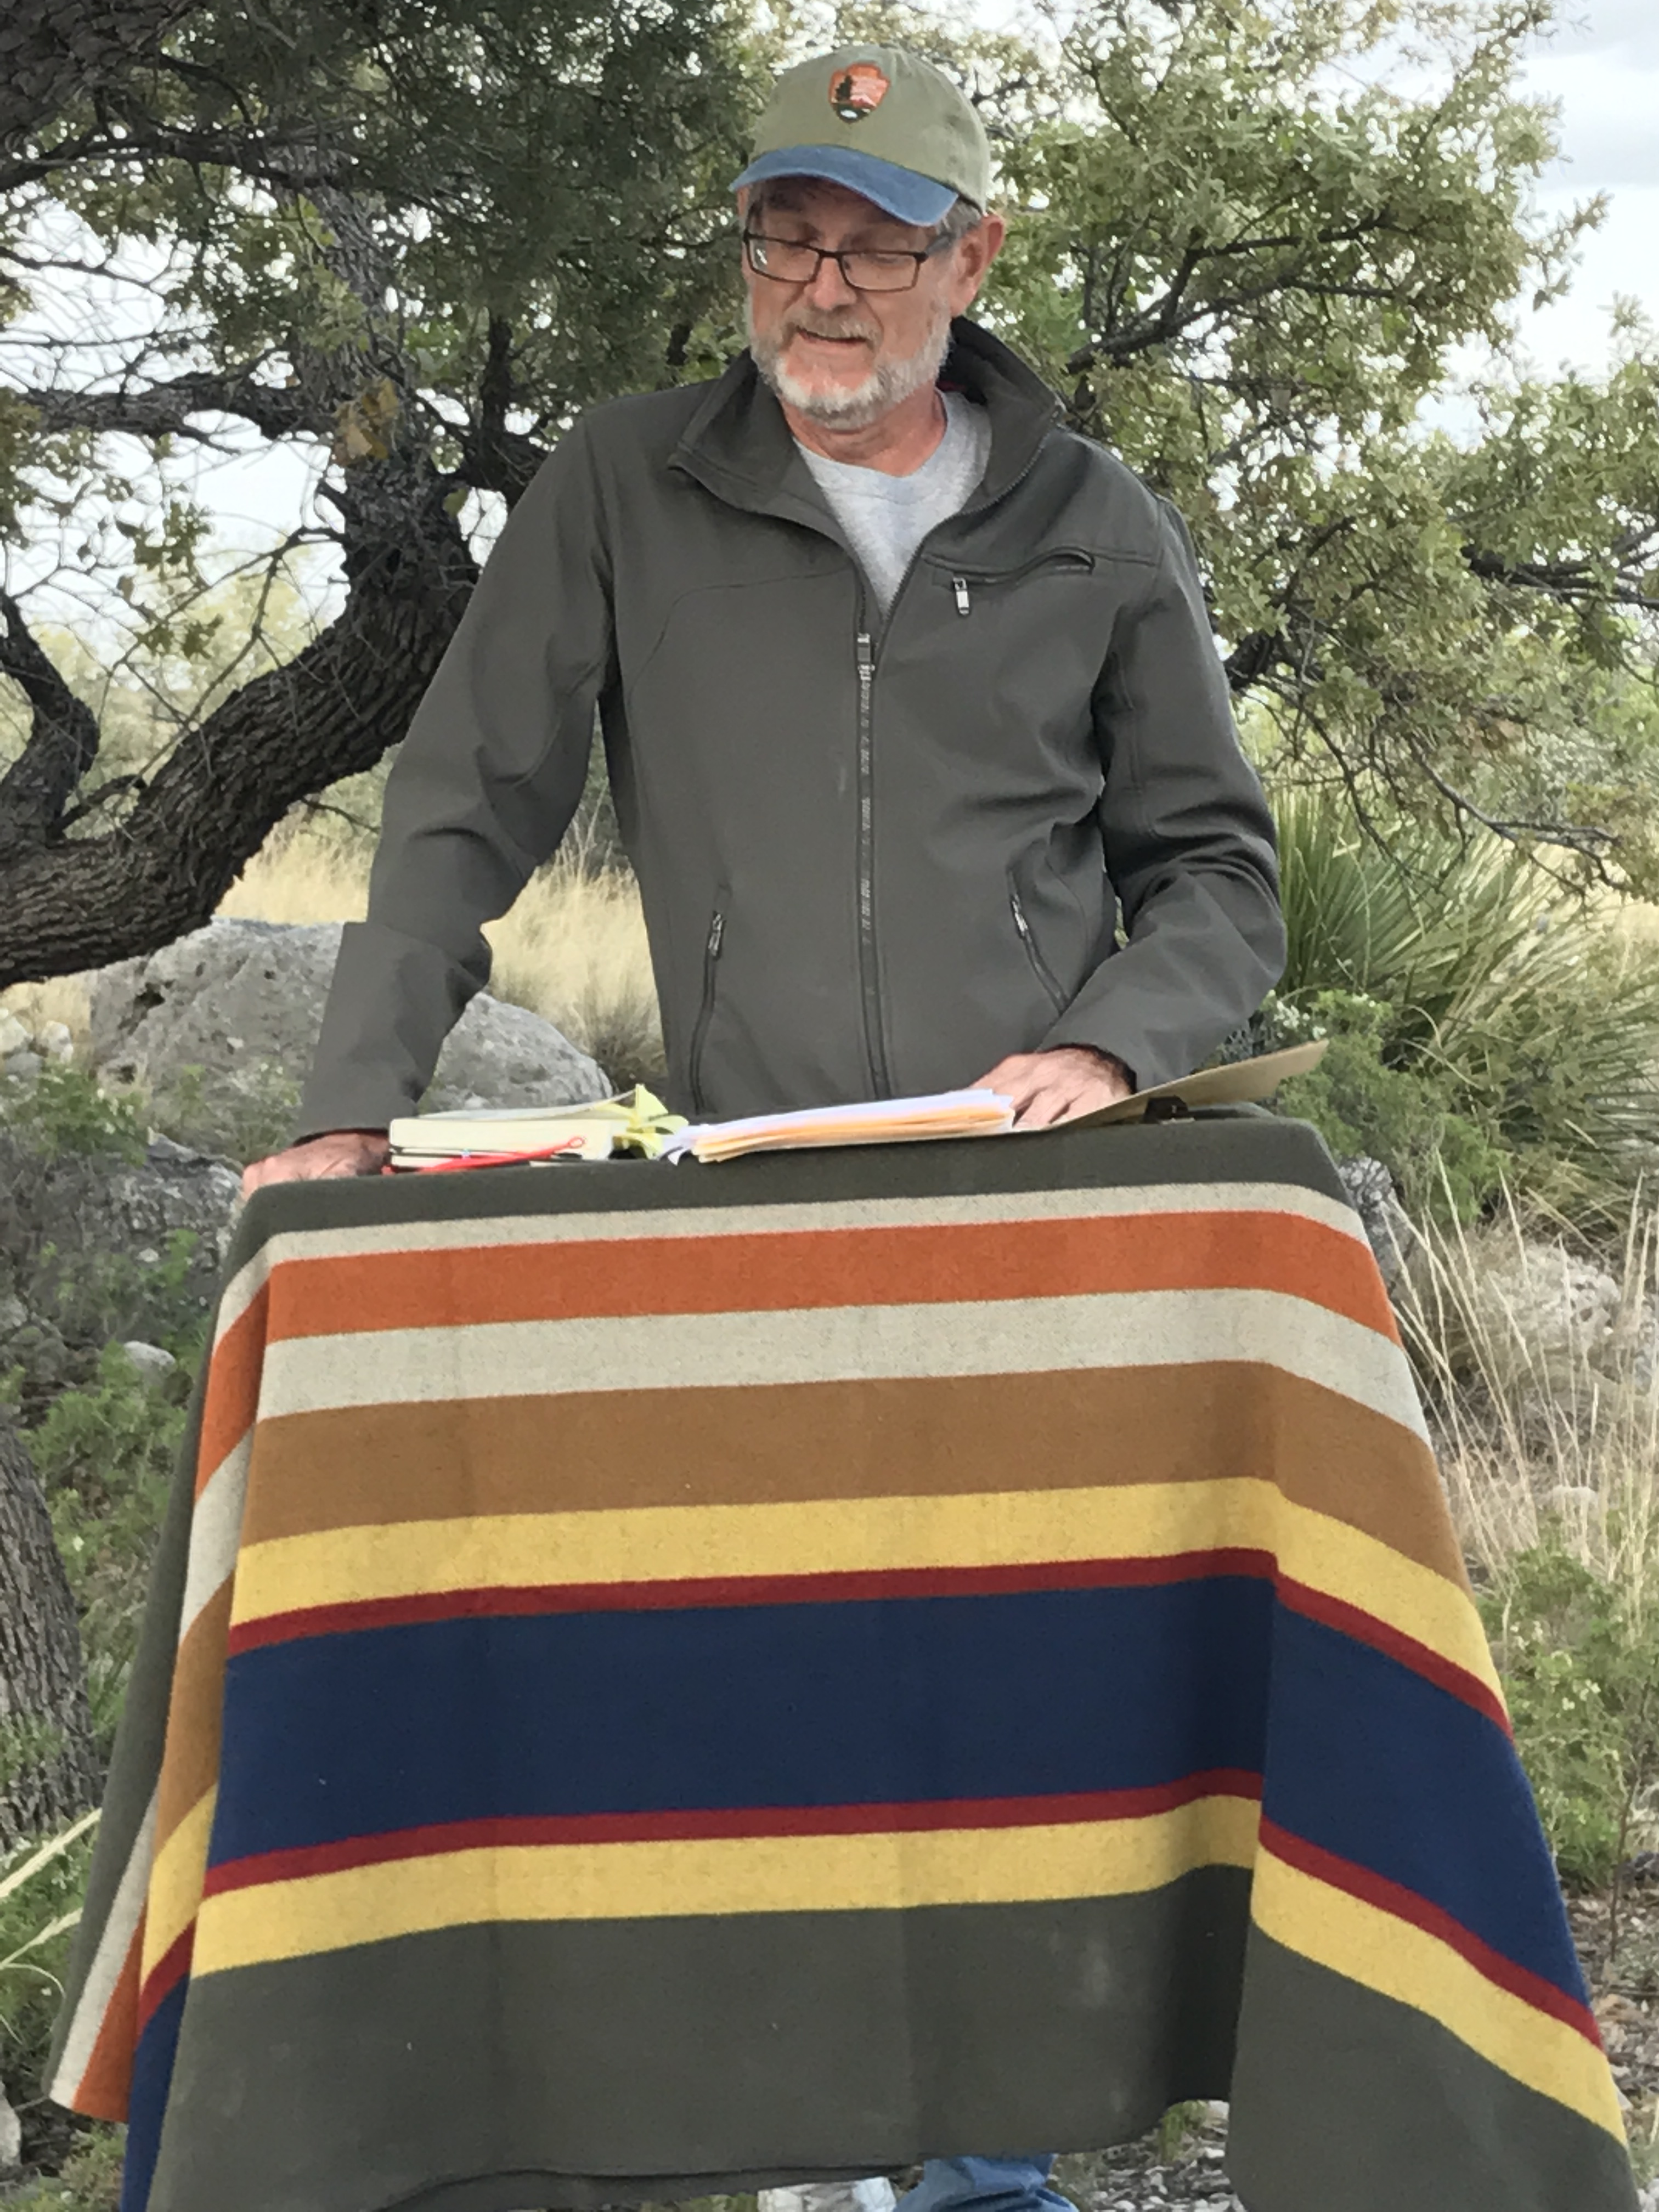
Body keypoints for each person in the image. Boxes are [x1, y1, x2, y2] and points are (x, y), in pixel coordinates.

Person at [240, 41, 1285, 2212]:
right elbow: (458, 812)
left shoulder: (1098, 523)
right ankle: (754, 2138)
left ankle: (979, 2173)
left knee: (1006, 1709)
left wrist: (1108, 1049)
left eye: (875, 245)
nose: (823, 288)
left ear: (970, 259)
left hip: (1035, 1232)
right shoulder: (623, 483)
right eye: (785, 239)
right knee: (753, 1690)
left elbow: (1218, 872)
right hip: (755, 1224)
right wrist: (352, 1114)